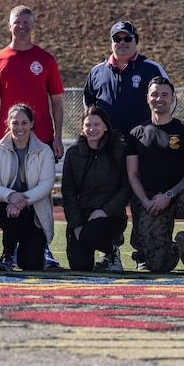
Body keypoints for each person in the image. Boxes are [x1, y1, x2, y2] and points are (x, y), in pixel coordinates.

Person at [82, 20, 168, 268]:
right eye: (116, 39)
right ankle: (109, 252)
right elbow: (91, 108)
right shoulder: (97, 71)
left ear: (135, 41)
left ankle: (143, 254)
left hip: (143, 149)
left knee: (142, 201)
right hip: (108, 150)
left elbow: (166, 103)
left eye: (127, 38)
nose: (121, 43)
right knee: (108, 201)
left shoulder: (152, 69)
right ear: (111, 42)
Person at [0, 5, 66, 267]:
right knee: (10, 194)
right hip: (11, 140)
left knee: (41, 195)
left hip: (40, 140)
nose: (21, 26)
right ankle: (8, 252)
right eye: (16, 22)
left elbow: (56, 101)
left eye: (26, 22)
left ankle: (45, 249)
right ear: (9, 26)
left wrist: (57, 137)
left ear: (33, 26)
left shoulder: (46, 59)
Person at [125, 77, 184, 278]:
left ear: (173, 99)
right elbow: (132, 175)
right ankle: (179, 248)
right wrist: (145, 201)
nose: (159, 99)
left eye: (165, 95)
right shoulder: (136, 133)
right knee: (157, 266)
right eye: (155, 94)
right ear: (147, 98)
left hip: (180, 196)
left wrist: (169, 194)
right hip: (152, 200)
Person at [0, 104, 55, 271]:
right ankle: (7, 255)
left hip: (34, 210)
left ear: (31, 124)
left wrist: (21, 200)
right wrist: (11, 196)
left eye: (24, 123)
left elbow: (46, 184)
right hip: (5, 208)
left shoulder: (44, 151)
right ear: (8, 123)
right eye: (15, 123)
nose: (19, 127)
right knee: (12, 212)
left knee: (31, 265)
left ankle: (27, 249)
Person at [61, 106, 130, 272]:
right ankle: (91, 241)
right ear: (82, 128)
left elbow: (126, 188)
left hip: (110, 216)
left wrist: (105, 211)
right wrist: (76, 224)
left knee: (90, 234)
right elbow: (68, 193)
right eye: (88, 125)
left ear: (105, 126)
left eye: (97, 124)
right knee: (80, 265)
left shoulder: (120, 150)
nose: (92, 129)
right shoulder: (73, 153)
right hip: (82, 217)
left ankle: (111, 251)